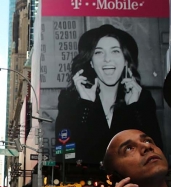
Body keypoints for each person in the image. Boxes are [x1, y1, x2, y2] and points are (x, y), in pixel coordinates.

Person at [55, 24, 163, 165]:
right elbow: (64, 155)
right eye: (99, 52)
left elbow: (155, 152)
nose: (107, 59)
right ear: (91, 62)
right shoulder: (70, 99)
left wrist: (134, 107)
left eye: (115, 51)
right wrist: (86, 104)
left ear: (125, 61)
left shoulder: (142, 99)